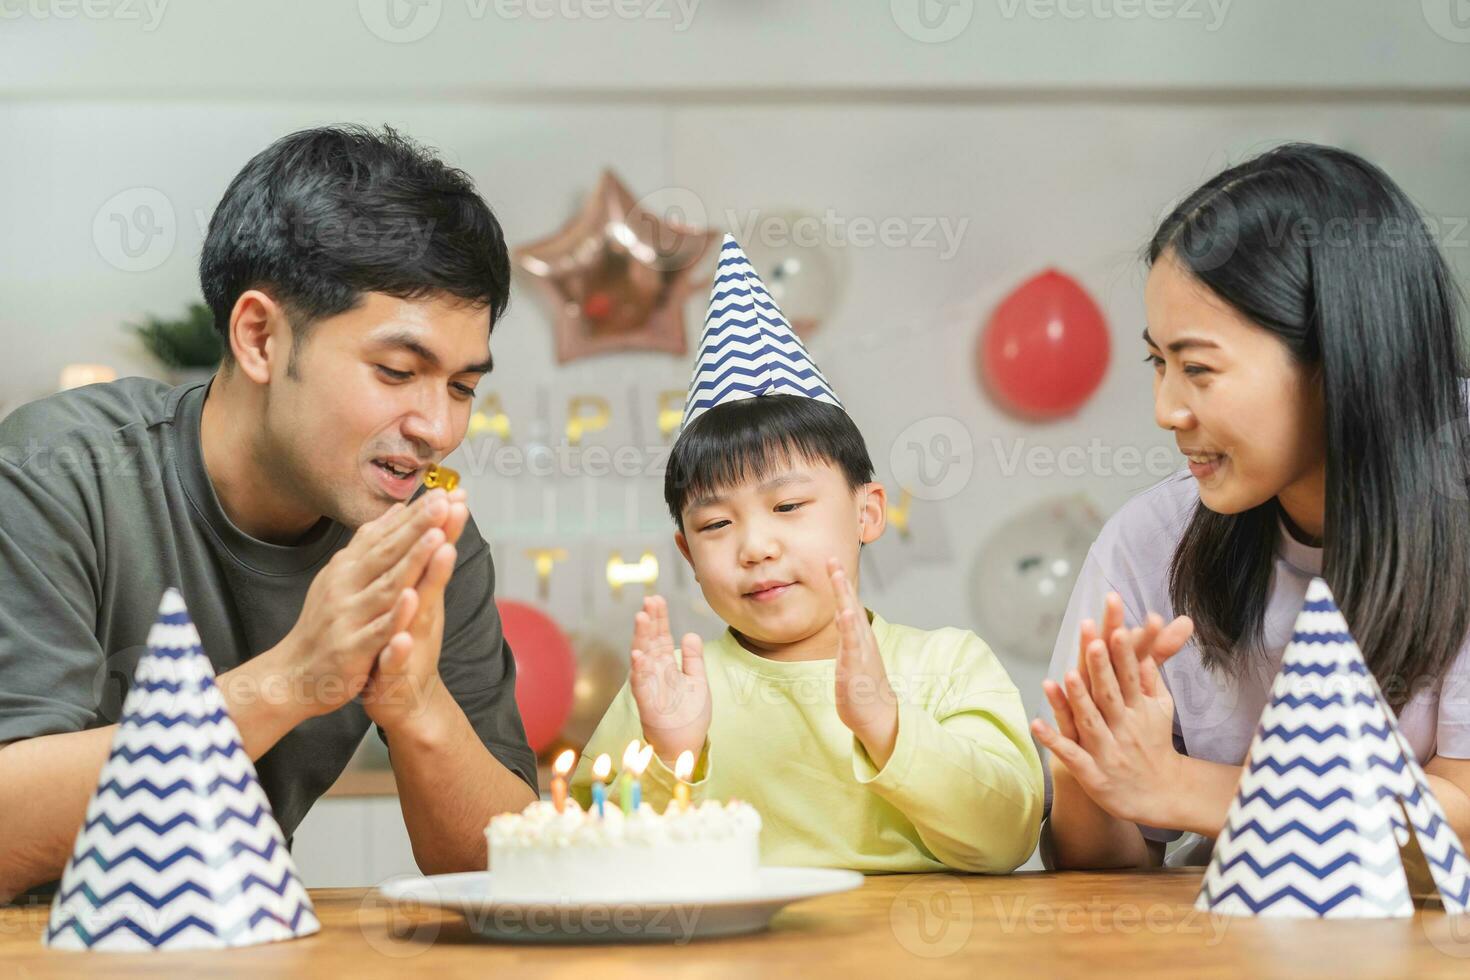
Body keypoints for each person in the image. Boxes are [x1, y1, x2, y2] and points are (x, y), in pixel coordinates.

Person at [0, 125, 538, 902]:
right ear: (258, 336)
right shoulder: (59, 473)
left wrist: (418, 708)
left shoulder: (421, 541)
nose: (439, 428)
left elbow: (509, 869)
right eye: (397, 371)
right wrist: (294, 679)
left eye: (461, 387)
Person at [1031, 143, 1470, 869]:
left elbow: (1457, 818)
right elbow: (1103, 876)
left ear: (1337, 357)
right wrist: (1093, 768)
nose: (1166, 410)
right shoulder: (1153, 541)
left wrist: (1183, 789)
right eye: (1158, 364)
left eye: (1197, 368)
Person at [570, 237, 1043, 873]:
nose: (756, 546)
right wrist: (668, 755)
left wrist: (888, 724)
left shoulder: (947, 665)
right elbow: (586, 859)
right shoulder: (673, 689)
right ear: (685, 551)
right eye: (715, 523)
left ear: (868, 511)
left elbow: (1007, 838)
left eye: (788, 506)